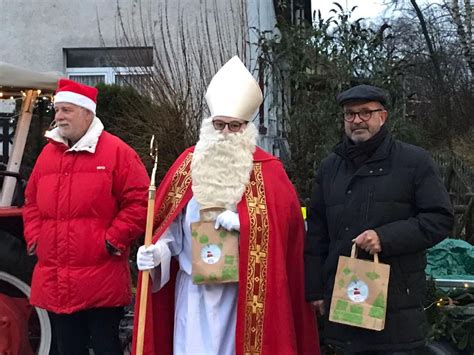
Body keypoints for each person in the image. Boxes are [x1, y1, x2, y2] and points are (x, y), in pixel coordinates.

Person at [132, 56, 319, 355]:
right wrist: (156, 254)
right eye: (219, 124)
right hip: (193, 296)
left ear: (247, 127)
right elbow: (171, 231)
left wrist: (245, 226)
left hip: (242, 297)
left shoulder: (269, 171)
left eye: (234, 126)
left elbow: (287, 236)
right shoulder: (186, 167)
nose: (225, 133)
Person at [304, 84, 454, 354]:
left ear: (382, 116)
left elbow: (439, 219)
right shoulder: (330, 167)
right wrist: (315, 290)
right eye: (350, 114)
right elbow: (316, 234)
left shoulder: (414, 161)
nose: (357, 120)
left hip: (396, 306)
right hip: (343, 301)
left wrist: (386, 238)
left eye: (365, 113)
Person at [23, 79, 149, 355]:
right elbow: (31, 201)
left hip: (100, 277)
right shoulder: (48, 155)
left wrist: (112, 240)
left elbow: (139, 202)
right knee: (68, 348)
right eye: (57, 110)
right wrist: (35, 238)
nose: (58, 117)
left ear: (87, 112)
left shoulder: (118, 153)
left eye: (66, 110)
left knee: (106, 347)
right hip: (57, 279)